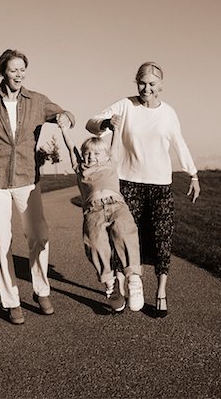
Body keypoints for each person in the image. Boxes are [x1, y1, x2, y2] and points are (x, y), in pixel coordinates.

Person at [0, 49, 75, 324]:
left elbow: (64, 113)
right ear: (3, 72)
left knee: (39, 235)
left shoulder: (36, 101)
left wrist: (66, 118)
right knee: (0, 242)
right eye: (14, 70)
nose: (19, 74)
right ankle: (11, 301)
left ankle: (41, 290)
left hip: (27, 178)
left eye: (23, 69)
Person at [86, 62, 200, 318]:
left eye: (151, 84)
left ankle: (160, 292)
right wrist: (106, 122)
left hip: (160, 186)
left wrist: (193, 174)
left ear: (161, 86)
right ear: (136, 82)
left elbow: (179, 144)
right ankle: (121, 290)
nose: (146, 88)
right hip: (128, 184)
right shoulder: (125, 106)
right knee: (123, 238)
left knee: (162, 238)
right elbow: (91, 123)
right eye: (142, 83)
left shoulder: (169, 113)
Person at [57, 113, 144, 313]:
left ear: (106, 156)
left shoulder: (111, 162)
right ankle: (111, 284)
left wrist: (115, 127)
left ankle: (133, 278)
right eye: (87, 153)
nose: (91, 157)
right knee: (94, 243)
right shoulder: (80, 168)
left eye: (96, 154)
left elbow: (115, 143)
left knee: (125, 231)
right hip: (93, 211)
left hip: (116, 206)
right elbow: (71, 148)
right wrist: (63, 130)